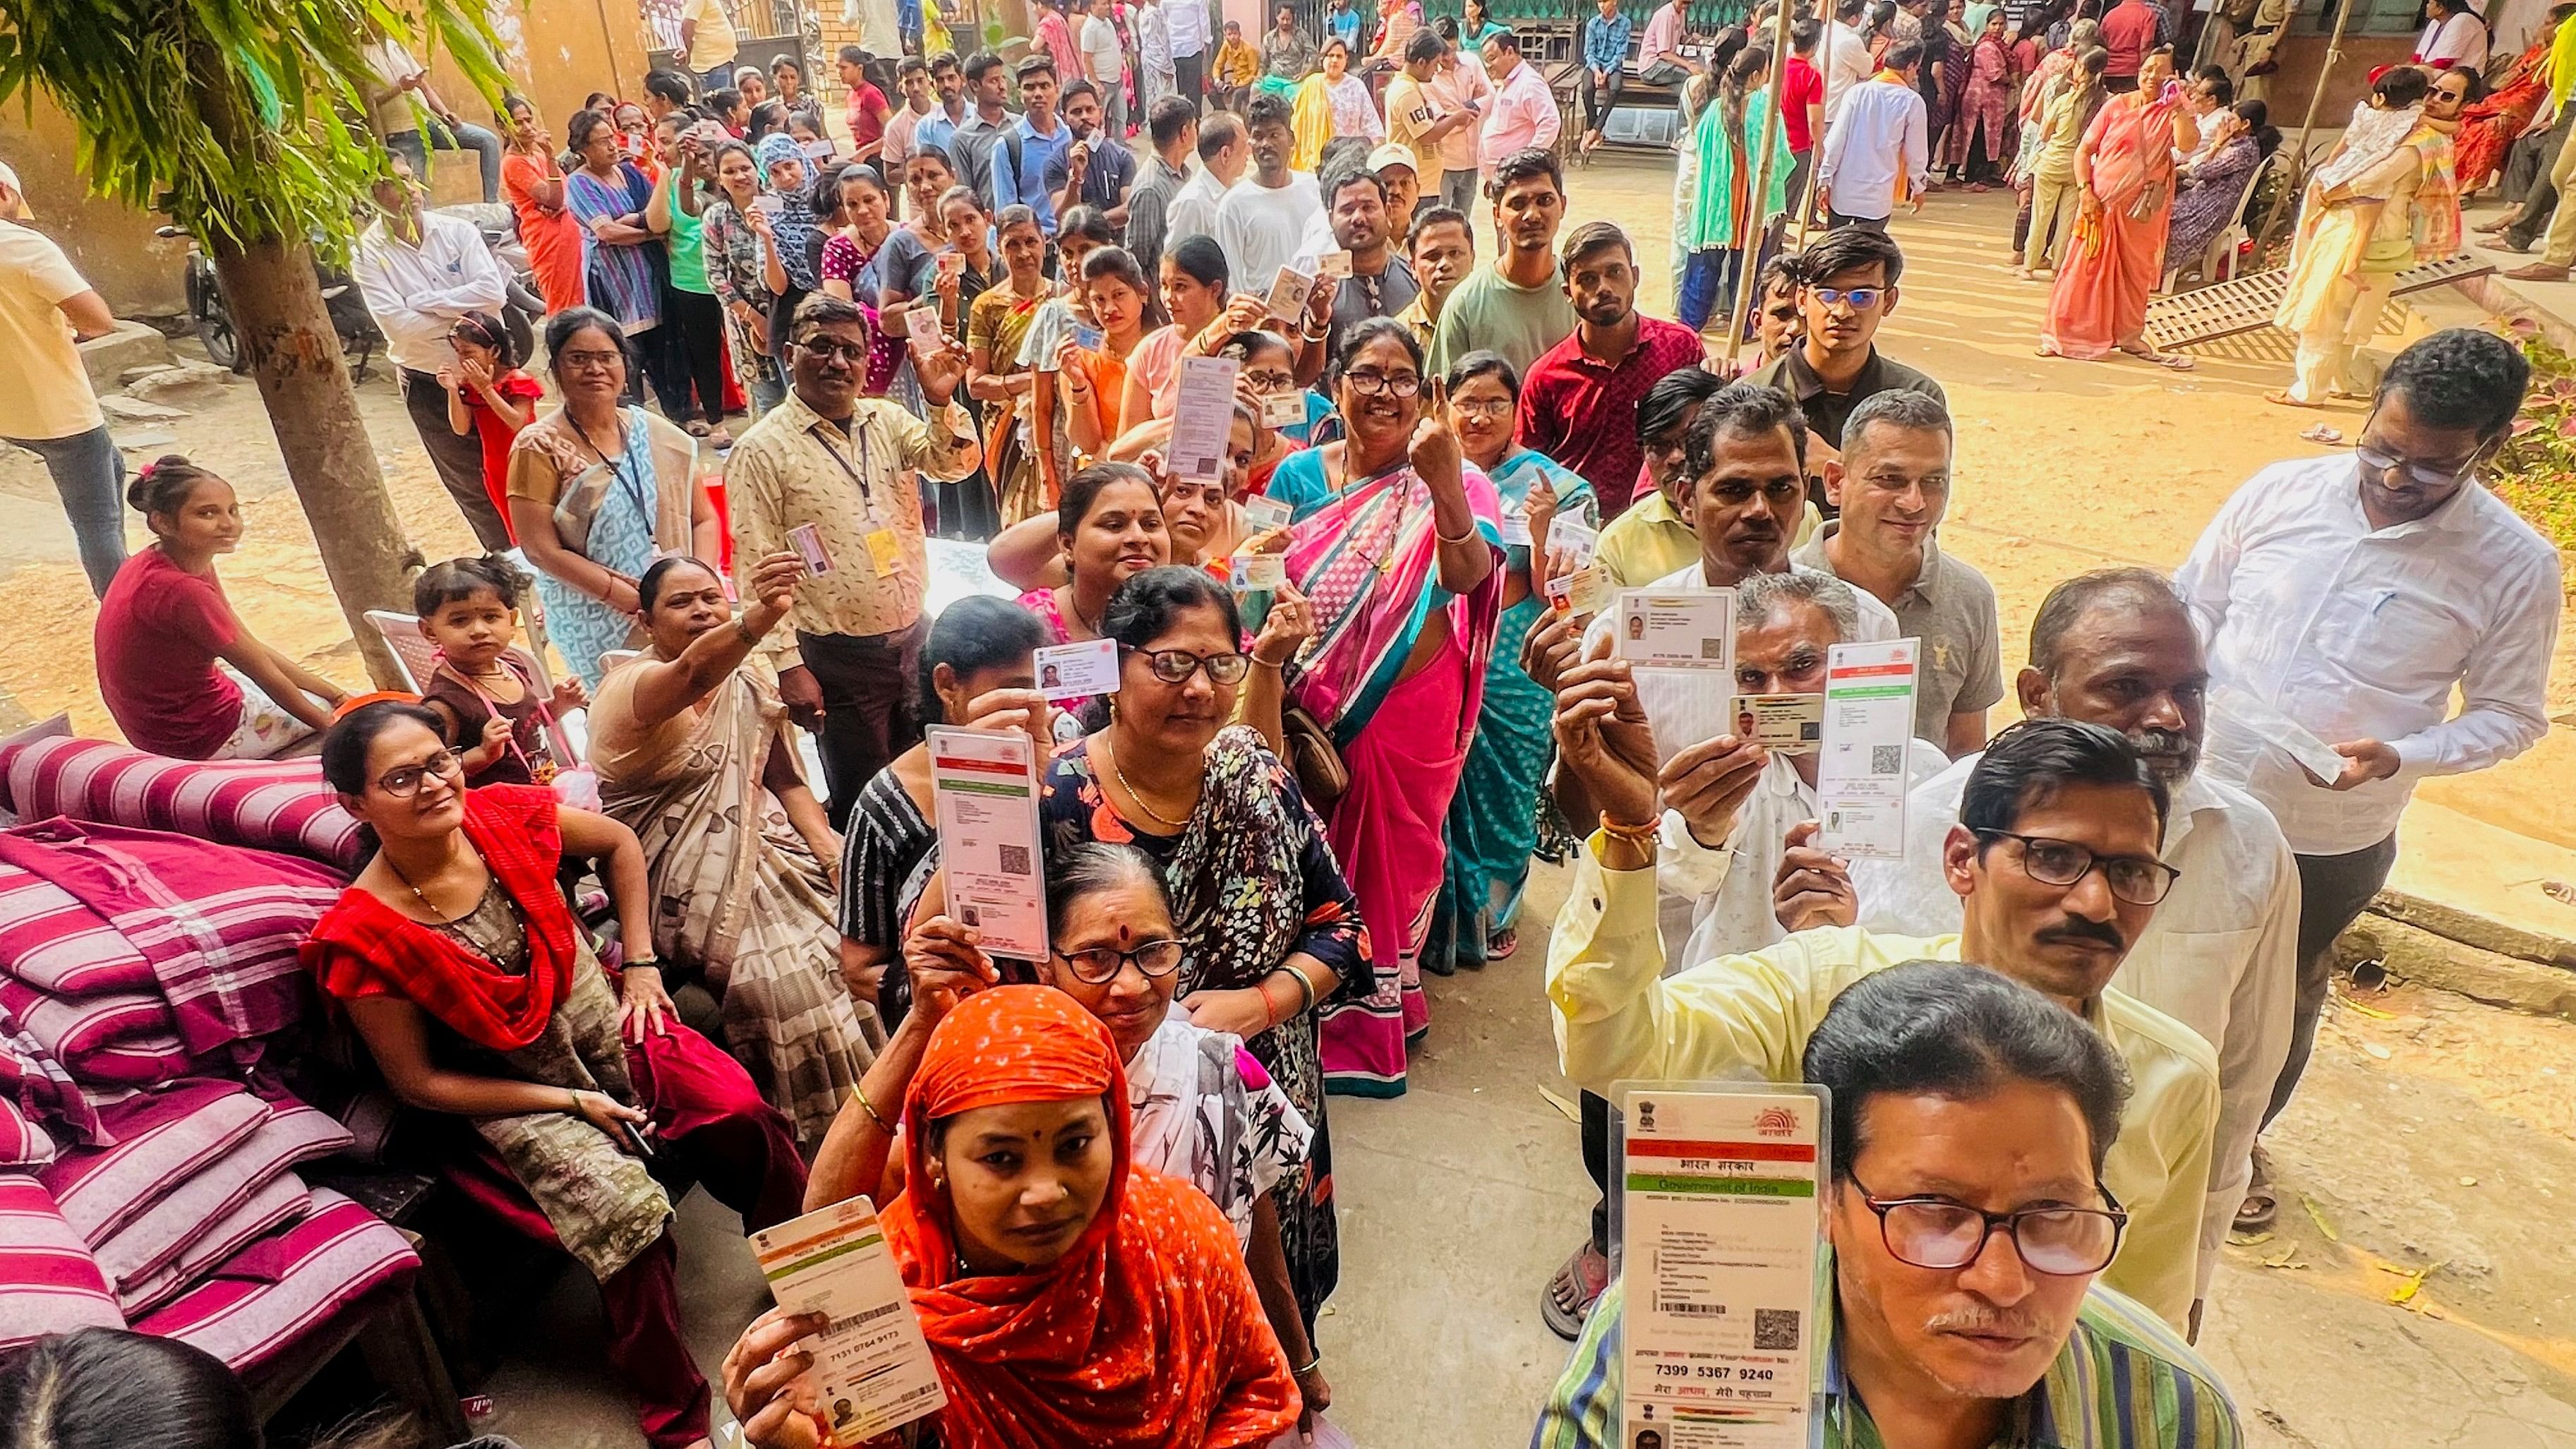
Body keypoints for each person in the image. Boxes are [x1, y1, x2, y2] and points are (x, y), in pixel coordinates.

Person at [1547, 716, 2222, 1330]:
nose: (2098, 902)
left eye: (2132, 871)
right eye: (2053, 858)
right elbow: (1616, 1048)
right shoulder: (1829, 986)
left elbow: (2138, 1314)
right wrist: (1632, 835)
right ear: (1963, 861)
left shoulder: (2175, 1078)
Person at [306, 702, 805, 1449]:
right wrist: (567, 1099)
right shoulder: (361, 937)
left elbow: (619, 842)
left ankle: (810, 1271)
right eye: (400, 778)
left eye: (438, 761)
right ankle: (677, 1419)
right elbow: (418, 1083)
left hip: (605, 1022)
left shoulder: (503, 814)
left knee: (737, 1110)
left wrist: (638, 964)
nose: (433, 784)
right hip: (511, 1086)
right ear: (355, 803)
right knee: (622, 1221)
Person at [1533, 963, 2246, 1448]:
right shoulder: (1663, 1352)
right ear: (1822, 1196)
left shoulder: (2165, 1412)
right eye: (1935, 1210)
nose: (2002, 1282)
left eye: (2052, 1216)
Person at [2174, 328, 2558, 1229]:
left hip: (2330, 833)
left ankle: (2237, 1142)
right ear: (2368, 411)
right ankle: (2131, 1122)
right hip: (2201, 783)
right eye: (2382, 448)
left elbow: (2511, 715)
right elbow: (2193, 600)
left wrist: (2405, 754)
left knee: (2279, 987)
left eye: (2429, 468)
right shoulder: (2279, 492)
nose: (2393, 479)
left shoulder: (2512, 565)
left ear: (2487, 446)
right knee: (2162, 950)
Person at [1849, 566, 2297, 1298]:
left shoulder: (2248, 846)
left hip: (2125, 1266)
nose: (2169, 718)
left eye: (2188, 690)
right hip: (1944, 1259)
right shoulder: (1931, 825)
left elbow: (2239, 1088)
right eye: (2126, 688)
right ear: (2035, 697)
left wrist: (2185, 1289)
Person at [722, 987, 1300, 1449]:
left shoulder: (1182, 1234)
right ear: (933, 1156)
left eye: (1075, 1144)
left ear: (1116, 1130)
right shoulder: (876, 1302)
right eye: (1001, 1158)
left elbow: (1256, 1389)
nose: (1046, 1193)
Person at [1001, 567, 1352, 1330]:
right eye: (1169, 663)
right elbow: (996, 967)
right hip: (1111, 1108)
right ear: (1112, 665)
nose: (1197, 687)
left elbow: (1340, 926)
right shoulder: (1055, 795)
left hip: (1269, 1091)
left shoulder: (1252, 772)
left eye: (1218, 664)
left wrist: (1259, 1004)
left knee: (1268, 1302)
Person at [1262, 321, 1503, 1095]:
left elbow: (1470, 580)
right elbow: (1256, 570)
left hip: (1408, 712)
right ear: (1335, 387)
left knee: (1391, 864)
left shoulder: (1459, 476)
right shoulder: (1299, 474)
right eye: (1367, 374)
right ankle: (1310, 1002)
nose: (1384, 393)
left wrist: (1441, 483)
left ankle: (1378, 1018)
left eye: (1402, 378)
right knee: (1310, 848)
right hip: (1307, 705)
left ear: (1424, 392)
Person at [585, 553, 879, 1146]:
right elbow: (693, 673)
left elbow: (787, 782)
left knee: (858, 945)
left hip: (770, 849)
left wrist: (831, 854)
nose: (700, 610)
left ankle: (885, 1124)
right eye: (680, 602)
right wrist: (760, 617)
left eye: (710, 597)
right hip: (680, 879)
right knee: (781, 987)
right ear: (645, 622)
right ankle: (813, 1147)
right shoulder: (630, 691)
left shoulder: (747, 678)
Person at [726, 294, 982, 825]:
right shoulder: (762, 449)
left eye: (851, 351)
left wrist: (939, 402)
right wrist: (786, 664)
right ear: (790, 353)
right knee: (868, 797)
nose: (838, 362)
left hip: (914, 636)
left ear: (868, 362)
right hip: (837, 655)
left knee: (932, 777)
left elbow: (954, 463)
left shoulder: (887, 420)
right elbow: (754, 563)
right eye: (822, 347)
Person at [1428, 350, 1596, 975]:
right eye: (1467, 403)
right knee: (1441, 789)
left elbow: (1575, 593)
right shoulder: (1428, 475)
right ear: (1447, 405)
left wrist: (1547, 529)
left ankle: (1494, 913)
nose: (1479, 416)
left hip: (1516, 663)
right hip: (1442, 654)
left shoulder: (1557, 487)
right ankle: (1443, 913)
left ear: (1517, 409)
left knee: (1507, 789)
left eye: (1495, 403)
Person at [836, 596, 1052, 1030]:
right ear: (948, 684)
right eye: (1011, 691)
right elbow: (859, 970)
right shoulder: (885, 806)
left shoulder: (1055, 771)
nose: (1030, 712)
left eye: (1036, 694)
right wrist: (944, 993)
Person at [505, 308, 723, 687]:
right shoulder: (538, 446)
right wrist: (626, 598)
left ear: (625, 367)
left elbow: (703, 518)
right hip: (595, 618)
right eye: (578, 359)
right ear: (555, 368)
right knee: (628, 721)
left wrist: (695, 591)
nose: (595, 369)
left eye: (607, 357)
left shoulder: (653, 431)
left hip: (678, 612)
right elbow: (540, 549)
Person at [95, 455, 347, 760]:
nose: (228, 524)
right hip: (194, 737)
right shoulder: (184, 591)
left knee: (323, 697)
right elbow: (261, 672)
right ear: (161, 522)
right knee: (322, 708)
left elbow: (248, 645)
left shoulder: (165, 560)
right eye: (207, 514)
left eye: (233, 510)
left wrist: (335, 693)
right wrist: (335, 729)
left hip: (152, 723)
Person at [1792, 390, 2001, 754]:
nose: (1914, 503)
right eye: (1890, 479)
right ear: (1836, 482)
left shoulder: (1968, 597)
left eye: (1934, 481)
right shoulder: (1779, 595)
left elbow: (1964, 750)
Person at [354, 151, 516, 552]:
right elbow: (398, 328)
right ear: (370, 196)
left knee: (524, 469)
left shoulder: (458, 232)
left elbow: (493, 294)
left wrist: (425, 301)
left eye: (410, 177)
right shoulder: (368, 254)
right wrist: (465, 317)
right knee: (471, 484)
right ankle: (509, 568)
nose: (411, 189)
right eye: (394, 183)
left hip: (495, 376)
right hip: (432, 382)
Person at [2268, 68, 2456, 390]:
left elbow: (2372, 181)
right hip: (2370, 228)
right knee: (2349, 312)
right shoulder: (2406, 128)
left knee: (2325, 309)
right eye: (2433, 91)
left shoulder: (2420, 140)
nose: (2435, 99)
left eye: (2448, 96)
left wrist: (2330, 192)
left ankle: (2309, 390)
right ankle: (2341, 381)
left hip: (2359, 228)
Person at [1749, 227, 1944, 515]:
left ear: (1888, 302)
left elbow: (1917, 507)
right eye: (1828, 295)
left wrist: (1834, 464)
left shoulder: (1916, 395)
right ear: (1803, 301)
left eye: (1862, 297)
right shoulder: (1756, 396)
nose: (1843, 312)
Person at [1515, 222, 1702, 519]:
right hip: (1577, 532)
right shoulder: (1546, 377)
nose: (1603, 288)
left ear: (1635, 276)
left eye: (1615, 272)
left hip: (1669, 520)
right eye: (1588, 279)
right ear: (1568, 292)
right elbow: (1525, 467)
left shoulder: (1681, 348)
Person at [0, 161, 126, 596]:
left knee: (112, 466)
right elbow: (98, 320)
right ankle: (123, 614)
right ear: (3, 192)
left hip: (10, 411)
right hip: (56, 409)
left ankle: (126, 583)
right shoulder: (21, 245)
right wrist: (69, 328)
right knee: (97, 521)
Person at [2038, 45, 2193, 367]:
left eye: (2161, 72)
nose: (2152, 77)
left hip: (2141, 211)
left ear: (2172, 78)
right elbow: (2084, 151)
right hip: (2099, 205)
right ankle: (2063, 334)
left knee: (2134, 273)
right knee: (2082, 268)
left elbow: (2188, 145)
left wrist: (2177, 105)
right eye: (2148, 69)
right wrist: (2085, 191)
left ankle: (2129, 336)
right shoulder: (2115, 106)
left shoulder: (2173, 110)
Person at [1014, 462, 1175, 724]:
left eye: (1151, 524)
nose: (1139, 537)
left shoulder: (1189, 617)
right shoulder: (1026, 628)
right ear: (1068, 545)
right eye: (1114, 525)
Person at [413, 555, 586, 790]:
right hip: (505, 810)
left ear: (512, 619)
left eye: (491, 617)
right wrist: (484, 753)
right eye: (460, 620)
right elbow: (435, 767)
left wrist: (556, 707)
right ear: (430, 631)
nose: (479, 630)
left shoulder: (511, 664)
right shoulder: (445, 704)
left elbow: (527, 724)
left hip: (544, 788)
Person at [1678, 47, 1795, 335]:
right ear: (1756, 75)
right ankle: (1743, 327)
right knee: (1747, 268)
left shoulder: (1714, 110)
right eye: (1766, 71)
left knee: (1704, 266)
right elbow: (1780, 156)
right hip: (1749, 206)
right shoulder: (1764, 108)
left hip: (1715, 205)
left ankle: (1690, 326)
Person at [1427, 148, 1573, 378]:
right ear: (1497, 215)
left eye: (1544, 200)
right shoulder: (1467, 303)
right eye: (1518, 204)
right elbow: (1445, 399)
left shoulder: (1581, 294)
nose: (1532, 214)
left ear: (1562, 206)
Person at [1593, 365, 1728, 589]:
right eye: (1659, 446)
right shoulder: (1618, 544)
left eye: (1691, 439)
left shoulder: (1792, 519)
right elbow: (1604, 622)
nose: (1676, 457)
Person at [643, 116, 735, 446]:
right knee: (704, 353)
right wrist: (669, 172)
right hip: (692, 282)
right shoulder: (679, 181)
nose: (703, 161)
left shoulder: (736, 173)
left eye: (707, 154)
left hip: (741, 282)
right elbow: (657, 224)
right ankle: (716, 420)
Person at [360, 29, 504, 203]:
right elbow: (366, 105)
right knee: (420, 199)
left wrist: (444, 112)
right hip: (401, 134)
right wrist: (399, 88)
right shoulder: (359, 56)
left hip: (429, 123)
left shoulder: (395, 46)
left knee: (487, 140)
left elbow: (423, 86)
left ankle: (492, 203)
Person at [436, 310, 544, 540]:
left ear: (494, 351)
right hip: (495, 469)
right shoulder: (471, 385)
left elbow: (518, 423)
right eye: (458, 352)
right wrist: (453, 391)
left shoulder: (517, 380)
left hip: (526, 462)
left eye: (468, 352)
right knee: (516, 532)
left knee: (539, 527)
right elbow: (461, 428)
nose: (462, 359)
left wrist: (487, 389)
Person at [1817, 40, 1930, 231]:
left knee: (1836, 251)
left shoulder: (1856, 93)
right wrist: (1919, 187)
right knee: (1868, 253)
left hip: (1844, 192)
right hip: (1878, 197)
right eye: (1916, 69)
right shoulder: (1912, 102)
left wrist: (1824, 179)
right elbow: (1916, 153)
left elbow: (1835, 141)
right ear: (1910, 66)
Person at [1217, 94, 1325, 291]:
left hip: (1316, 312)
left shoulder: (1315, 190)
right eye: (1258, 136)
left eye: (1274, 135)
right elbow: (1231, 280)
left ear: (1291, 139)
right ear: (1250, 144)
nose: (1266, 143)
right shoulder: (1234, 205)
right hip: (1261, 315)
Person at [2017, 45, 2109, 275]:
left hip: (2051, 162)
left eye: (2078, 66)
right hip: (2079, 169)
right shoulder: (2104, 102)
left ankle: (2029, 267)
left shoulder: (2064, 100)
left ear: (2084, 71)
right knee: (2067, 220)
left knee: (2041, 217)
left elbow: (2045, 133)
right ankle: (2059, 268)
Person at [495, 95, 584, 316]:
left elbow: (564, 194)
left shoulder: (536, 153)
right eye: (518, 123)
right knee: (566, 307)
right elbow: (552, 199)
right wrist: (551, 158)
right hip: (549, 241)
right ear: (502, 128)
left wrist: (566, 205)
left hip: (572, 233)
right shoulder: (514, 163)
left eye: (529, 120)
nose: (526, 127)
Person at [2165, 98, 2276, 269]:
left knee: (2165, 220)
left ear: (2245, 124)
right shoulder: (2240, 146)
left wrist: (2217, 144)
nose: (2224, 125)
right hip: (2203, 198)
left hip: (2212, 207)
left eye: (2231, 120)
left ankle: (2157, 272)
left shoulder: (2243, 151)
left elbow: (2201, 171)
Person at [1477, 30, 1563, 216]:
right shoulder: (1507, 84)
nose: (1488, 66)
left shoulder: (1530, 83)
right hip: (1502, 177)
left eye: (1492, 58)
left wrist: (1526, 163)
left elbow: (1550, 123)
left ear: (1509, 52)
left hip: (1519, 179)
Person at [1126, 95, 1200, 280]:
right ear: (1184, 133)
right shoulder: (1151, 188)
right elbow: (1138, 257)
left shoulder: (1184, 174)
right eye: (1194, 126)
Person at [1049, 81, 1140, 231]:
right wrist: (1076, 177)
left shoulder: (1122, 157)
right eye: (1077, 112)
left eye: (1090, 110)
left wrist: (1091, 224)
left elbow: (1129, 208)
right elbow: (1062, 217)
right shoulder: (1056, 162)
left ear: (1100, 112)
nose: (1085, 117)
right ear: (1064, 117)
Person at [1393, 201, 1476, 346]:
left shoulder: (1492, 321)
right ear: (1412, 266)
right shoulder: (1399, 336)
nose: (1445, 264)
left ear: (1472, 258)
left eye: (1455, 253)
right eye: (1433, 256)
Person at [1169, 109, 1249, 246]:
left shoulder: (1238, 190)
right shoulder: (1192, 203)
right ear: (1225, 154)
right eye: (1244, 145)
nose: (1250, 151)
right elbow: (1176, 260)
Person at [1578, 0, 1635, 157]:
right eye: (1599, 2)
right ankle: (1594, 125)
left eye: (1605, 1)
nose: (1602, 5)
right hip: (1595, 65)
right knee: (1587, 89)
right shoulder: (1593, 23)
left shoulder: (1625, 23)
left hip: (1613, 66)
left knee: (1615, 88)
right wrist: (1597, 71)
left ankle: (1595, 129)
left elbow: (1620, 54)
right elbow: (1589, 53)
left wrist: (1607, 73)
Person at [1316, 37, 1385, 142]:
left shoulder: (1356, 86)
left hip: (1350, 152)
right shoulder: (1312, 86)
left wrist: (1377, 145)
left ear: (1346, 59)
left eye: (1339, 57)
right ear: (1323, 58)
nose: (1335, 60)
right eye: (1331, 56)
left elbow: (1371, 124)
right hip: (1318, 153)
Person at [1079, 0, 1128, 138]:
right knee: (1097, 120)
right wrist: (1096, 83)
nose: (1107, 7)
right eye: (1103, 4)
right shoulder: (1090, 28)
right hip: (1102, 82)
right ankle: (1097, 150)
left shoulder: (1108, 23)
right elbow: (1086, 58)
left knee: (1121, 116)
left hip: (1116, 80)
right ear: (1093, 6)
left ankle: (1121, 145)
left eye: (1108, 3)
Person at [2096, 0, 2160, 90]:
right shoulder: (2147, 14)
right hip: (2131, 72)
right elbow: (2146, 46)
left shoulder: (2110, 15)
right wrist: (2143, 70)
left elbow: (2100, 43)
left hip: (2108, 72)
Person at [678, 0, 740, 89]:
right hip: (713, 63)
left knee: (729, 99)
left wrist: (687, 50)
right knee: (721, 100)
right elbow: (687, 25)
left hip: (721, 59)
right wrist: (688, 52)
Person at [2413, 0, 2489, 71]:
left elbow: (2444, 63)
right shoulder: (2434, 23)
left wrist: (2416, 69)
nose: (2427, 6)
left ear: (2440, 9)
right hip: (2436, 72)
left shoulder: (2463, 19)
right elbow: (2416, 58)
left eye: (2430, 3)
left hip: (2462, 76)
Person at [1638, 0, 1696, 88]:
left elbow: (1682, 36)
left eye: (1688, 4)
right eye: (1683, 3)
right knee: (1691, 76)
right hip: (1652, 66)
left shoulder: (1682, 13)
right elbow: (1664, 54)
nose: (1685, 7)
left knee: (1686, 83)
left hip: (1666, 63)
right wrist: (1688, 65)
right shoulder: (1666, 15)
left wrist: (1693, 39)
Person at [1263, 3, 1320, 80]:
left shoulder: (1302, 35)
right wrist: (1260, 78)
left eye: (1288, 19)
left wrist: (1304, 74)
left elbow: (1314, 56)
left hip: (1294, 80)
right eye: (1282, 19)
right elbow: (1263, 62)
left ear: (1293, 18)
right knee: (1255, 89)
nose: (1285, 22)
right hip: (1273, 80)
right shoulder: (1269, 38)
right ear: (1277, 17)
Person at [1215, 20, 1263, 109]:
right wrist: (1217, 80)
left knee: (1237, 94)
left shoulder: (1249, 49)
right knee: (1212, 93)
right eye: (1229, 34)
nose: (1233, 37)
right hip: (1235, 81)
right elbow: (1218, 65)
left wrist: (1236, 85)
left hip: (1248, 83)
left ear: (1240, 34)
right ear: (1225, 36)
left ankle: (1235, 119)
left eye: (1235, 34)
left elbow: (1253, 75)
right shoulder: (1226, 46)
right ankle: (1223, 113)